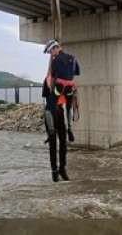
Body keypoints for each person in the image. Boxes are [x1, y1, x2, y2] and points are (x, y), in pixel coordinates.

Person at [43, 39, 80, 182]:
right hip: (59, 111)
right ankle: (59, 170)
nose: (50, 54)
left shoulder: (51, 81)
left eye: (51, 51)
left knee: (55, 143)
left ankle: (57, 171)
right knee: (62, 142)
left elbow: (48, 98)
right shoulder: (63, 79)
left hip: (53, 112)